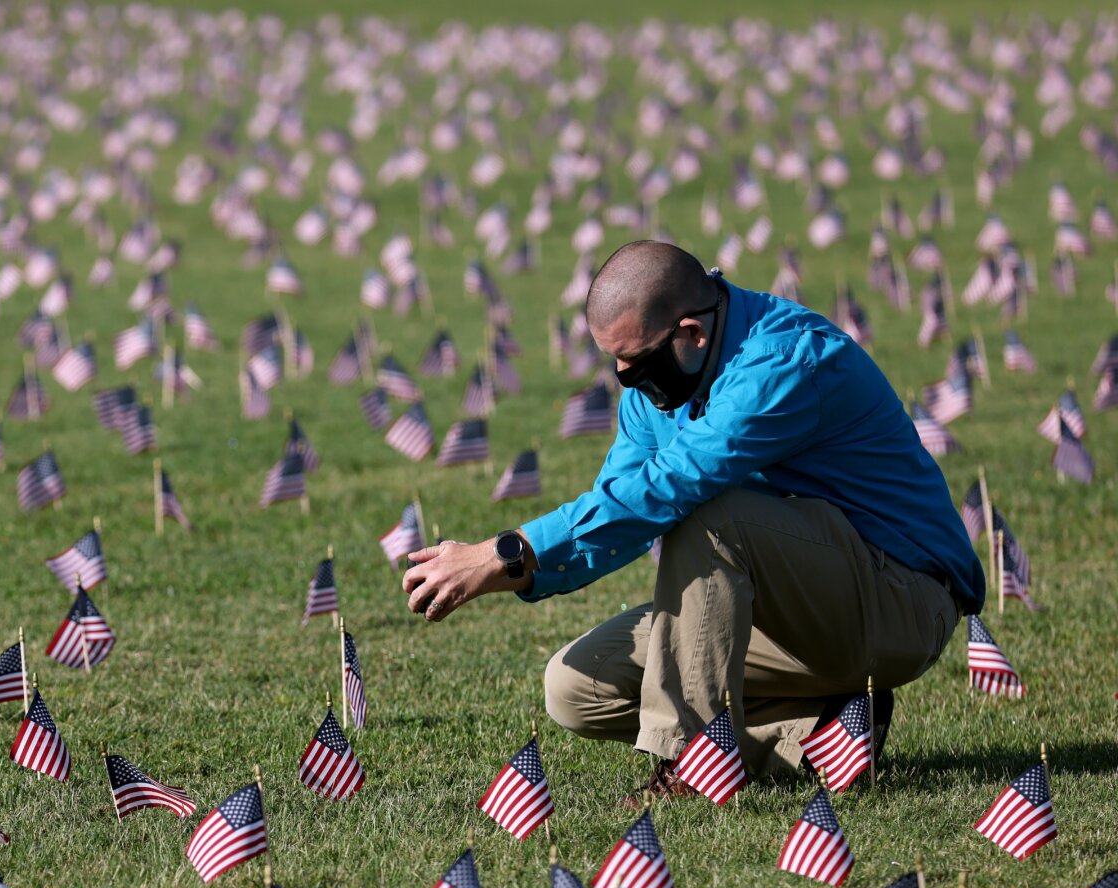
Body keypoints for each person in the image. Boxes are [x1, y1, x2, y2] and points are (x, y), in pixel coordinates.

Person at [400, 240, 983, 801]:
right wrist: (512, 568)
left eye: (635, 361)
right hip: (795, 613)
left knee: (710, 513)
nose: (625, 377)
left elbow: (669, 487)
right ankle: (820, 734)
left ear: (691, 334)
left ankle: (690, 763)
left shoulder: (782, 361)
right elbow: (619, 503)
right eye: (616, 363)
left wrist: (506, 550)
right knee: (575, 687)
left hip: (898, 602)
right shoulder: (658, 385)